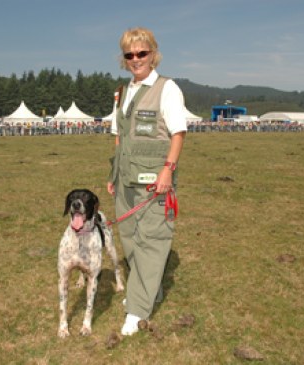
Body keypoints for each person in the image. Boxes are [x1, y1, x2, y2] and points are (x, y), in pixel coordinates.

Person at [107, 27, 187, 336]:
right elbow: (119, 136)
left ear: (153, 54)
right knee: (129, 239)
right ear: (124, 59)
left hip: (155, 182)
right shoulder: (124, 92)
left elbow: (178, 133)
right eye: (130, 55)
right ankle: (148, 291)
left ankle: (138, 309)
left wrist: (168, 170)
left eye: (142, 53)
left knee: (152, 240)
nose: (136, 59)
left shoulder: (167, 88)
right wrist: (113, 174)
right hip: (125, 180)